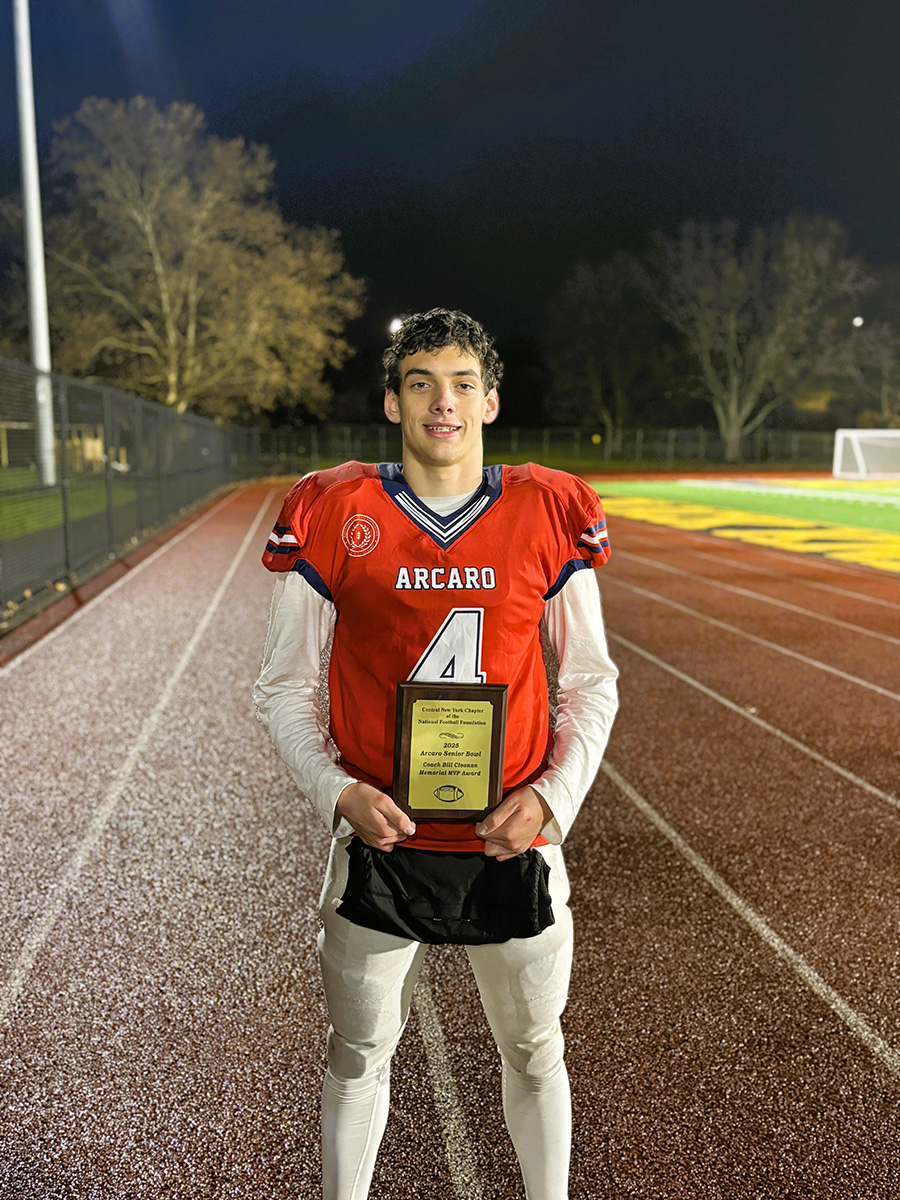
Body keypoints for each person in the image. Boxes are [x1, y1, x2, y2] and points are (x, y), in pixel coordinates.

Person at [253, 308, 618, 1199]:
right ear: (392, 402)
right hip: (383, 837)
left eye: (461, 384)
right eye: (420, 384)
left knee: (535, 1049)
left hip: (511, 838)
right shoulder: (336, 509)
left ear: (489, 402)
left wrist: (552, 800)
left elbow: (589, 682)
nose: (441, 402)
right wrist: (338, 792)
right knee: (357, 1052)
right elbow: (283, 687)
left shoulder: (544, 509)